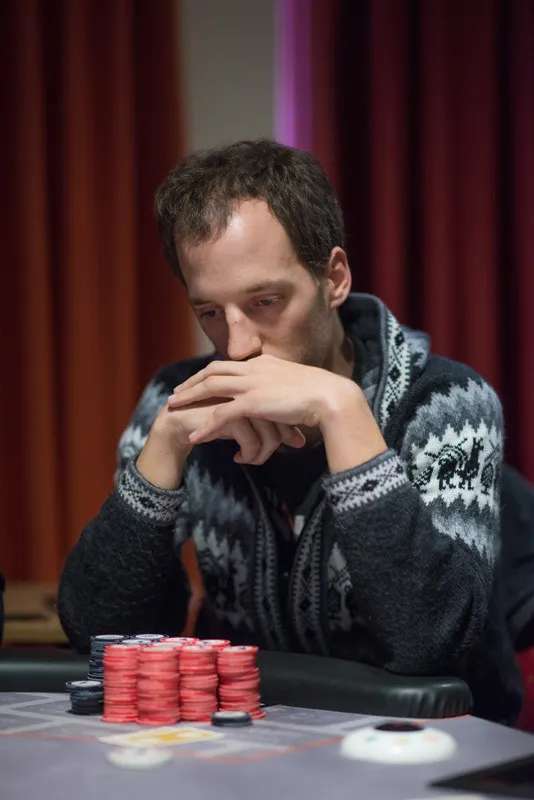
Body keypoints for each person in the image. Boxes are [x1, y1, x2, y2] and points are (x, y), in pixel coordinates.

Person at [58, 139, 522, 725]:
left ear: (334, 277)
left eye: (266, 301)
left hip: (433, 746)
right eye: (210, 312)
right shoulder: (177, 399)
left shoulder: (448, 404)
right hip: (248, 740)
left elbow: (433, 640)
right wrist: (168, 446)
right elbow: (98, 636)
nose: (238, 346)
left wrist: (344, 413)